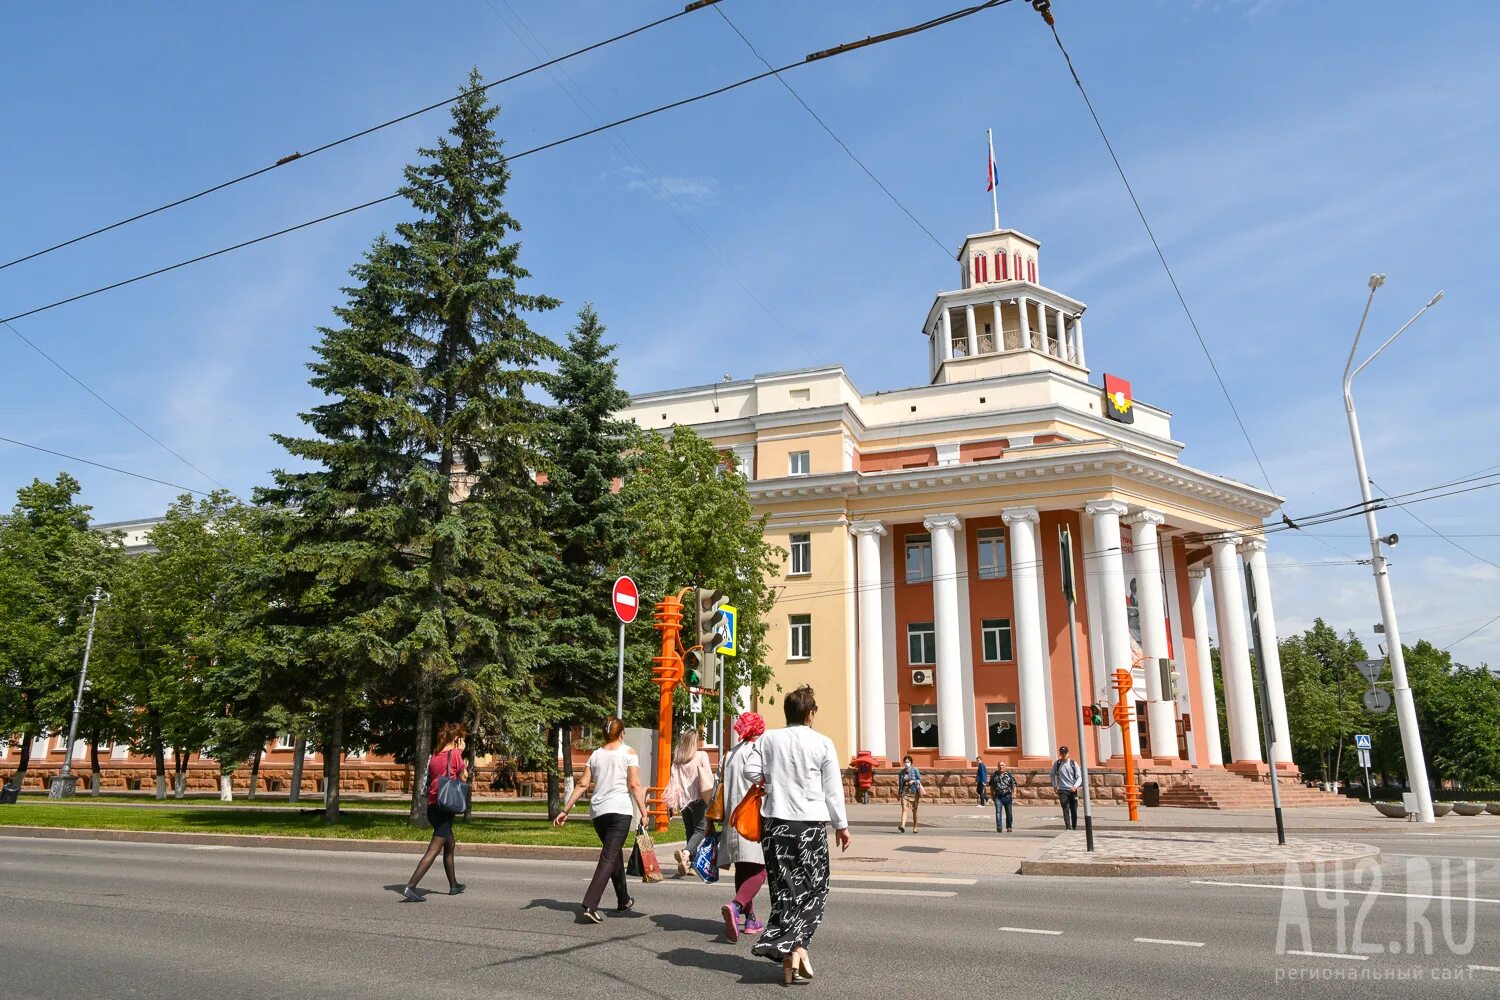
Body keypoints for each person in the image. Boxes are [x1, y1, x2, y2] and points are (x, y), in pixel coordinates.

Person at [747, 685, 850, 985]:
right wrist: (841, 826)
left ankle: (789, 951)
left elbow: (750, 772)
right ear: (810, 714)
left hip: (775, 823)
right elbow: (833, 790)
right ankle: (797, 946)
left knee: (784, 889)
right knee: (816, 887)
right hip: (808, 826)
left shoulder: (768, 739)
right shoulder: (822, 743)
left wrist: (772, 780)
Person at [555, 717, 649, 923]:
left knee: (613, 855)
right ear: (622, 733)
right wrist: (644, 811)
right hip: (620, 812)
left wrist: (566, 809)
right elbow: (634, 784)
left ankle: (623, 900)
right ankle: (590, 904)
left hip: (598, 813)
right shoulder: (629, 753)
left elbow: (582, 784)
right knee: (609, 856)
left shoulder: (595, 755)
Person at [401, 722, 468, 901]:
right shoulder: (454, 754)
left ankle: (453, 885)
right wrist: (461, 754)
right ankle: (411, 886)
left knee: (450, 844)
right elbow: (464, 777)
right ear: (457, 738)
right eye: (462, 738)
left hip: (432, 806)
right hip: (445, 807)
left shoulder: (436, 755)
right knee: (434, 849)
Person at [719, 711, 768, 943]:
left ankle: (750, 919)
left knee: (742, 868)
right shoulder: (758, 752)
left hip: (732, 818)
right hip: (753, 818)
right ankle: (737, 906)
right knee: (760, 870)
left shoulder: (728, 755)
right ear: (758, 730)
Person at [667, 726, 713, 877]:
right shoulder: (702, 755)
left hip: (683, 800)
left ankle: (691, 865)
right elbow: (707, 777)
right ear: (695, 741)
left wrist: (672, 803)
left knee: (690, 830)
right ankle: (686, 854)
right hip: (699, 797)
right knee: (701, 829)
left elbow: (673, 780)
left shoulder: (678, 758)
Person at [1051, 745, 1082, 830]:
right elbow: (1052, 774)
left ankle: (1074, 826)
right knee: (1065, 808)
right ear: (1060, 754)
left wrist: (1075, 786)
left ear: (1068, 753)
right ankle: (1068, 827)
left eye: (1065, 753)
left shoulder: (1073, 764)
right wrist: (1055, 785)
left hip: (1072, 790)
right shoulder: (1057, 763)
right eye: (1062, 753)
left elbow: (1079, 777)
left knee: (1074, 809)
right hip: (1062, 790)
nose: (1064, 754)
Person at [897, 755, 923, 833]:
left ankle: (915, 827)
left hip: (914, 792)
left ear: (911, 763)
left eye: (908, 762)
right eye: (905, 762)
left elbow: (919, 779)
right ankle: (902, 826)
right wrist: (899, 793)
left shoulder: (915, 770)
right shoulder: (901, 772)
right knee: (904, 809)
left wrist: (914, 781)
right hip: (905, 792)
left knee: (914, 811)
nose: (906, 763)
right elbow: (900, 784)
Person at [990, 760, 1016, 833]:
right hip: (998, 796)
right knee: (998, 812)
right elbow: (991, 786)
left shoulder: (1009, 775)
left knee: (1009, 812)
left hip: (1007, 796)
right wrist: (992, 795)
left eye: (1002, 765)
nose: (1000, 767)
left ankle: (1009, 826)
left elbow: (1013, 785)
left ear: (1005, 766)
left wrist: (1014, 793)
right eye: (999, 765)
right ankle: (999, 826)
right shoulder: (994, 775)